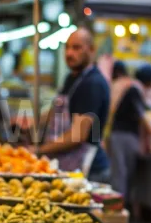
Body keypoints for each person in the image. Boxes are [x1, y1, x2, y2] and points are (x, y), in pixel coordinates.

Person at [38, 28, 111, 182]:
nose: (69, 53)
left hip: (88, 170)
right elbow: (55, 112)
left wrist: (40, 151)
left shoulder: (92, 83)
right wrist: (31, 123)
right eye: (67, 47)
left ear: (92, 50)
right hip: (66, 163)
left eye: (76, 48)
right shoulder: (71, 79)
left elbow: (77, 135)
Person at [107, 62, 151, 204]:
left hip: (123, 135)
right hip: (123, 136)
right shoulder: (134, 89)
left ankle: (122, 207)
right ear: (150, 80)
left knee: (124, 172)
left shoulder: (134, 89)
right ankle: (117, 208)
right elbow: (141, 116)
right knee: (121, 173)